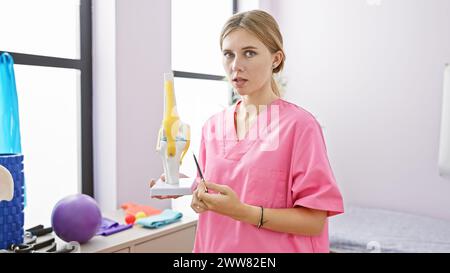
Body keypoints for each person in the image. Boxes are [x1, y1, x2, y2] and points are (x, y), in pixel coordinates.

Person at [150, 9, 344, 253]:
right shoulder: (213, 125)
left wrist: (243, 212)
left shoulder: (300, 126)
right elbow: (213, 188)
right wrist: (179, 186)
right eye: (228, 54)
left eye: (249, 53)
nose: (236, 65)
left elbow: (314, 221)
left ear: (276, 59)